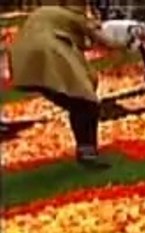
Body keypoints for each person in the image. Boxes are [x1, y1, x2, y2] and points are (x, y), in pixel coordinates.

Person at [8, 4, 128, 168]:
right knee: (87, 102)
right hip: (49, 51)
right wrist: (129, 43)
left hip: (22, 56)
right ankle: (88, 154)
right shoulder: (75, 17)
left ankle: (86, 151)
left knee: (78, 103)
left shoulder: (45, 11)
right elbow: (104, 40)